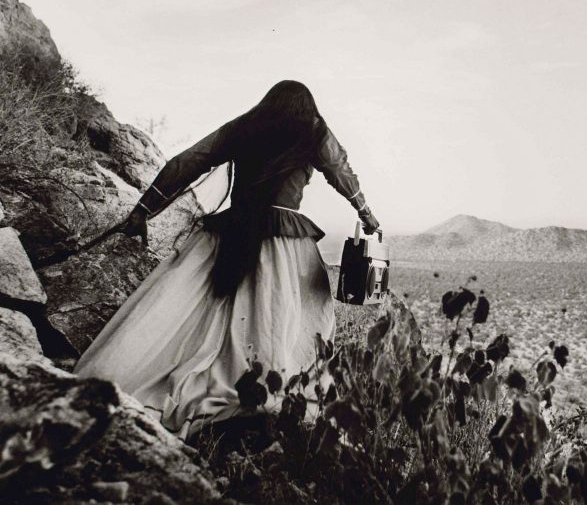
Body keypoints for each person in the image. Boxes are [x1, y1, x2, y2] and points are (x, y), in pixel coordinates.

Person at [74, 80, 379, 440]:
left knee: (195, 311)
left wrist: (144, 210)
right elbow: (340, 170)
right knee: (288, 316)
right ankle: (267, 392)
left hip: (229, 232)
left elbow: (187, 162)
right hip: (283, 241)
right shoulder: (313, 129)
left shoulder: (246, 125)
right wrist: (367, 214)